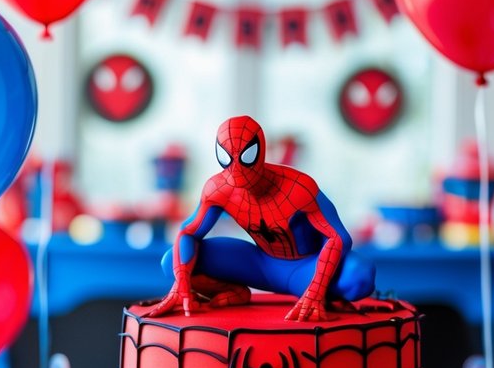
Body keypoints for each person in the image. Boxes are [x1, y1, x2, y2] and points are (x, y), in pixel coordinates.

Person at [144, 116, 375, 321]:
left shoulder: (299, 188)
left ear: (260, 150)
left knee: (360, 277)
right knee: (171, 263)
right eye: (227, 157)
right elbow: (187, 232)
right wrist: (181, 285)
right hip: (260, 264)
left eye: (246, 156)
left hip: (308, 267)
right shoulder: (218, 188)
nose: (236, 170)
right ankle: (234, 291)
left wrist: (315, 291)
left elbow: (338, 237)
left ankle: (321, 294)